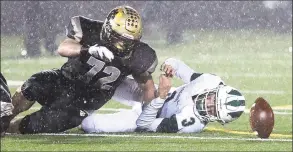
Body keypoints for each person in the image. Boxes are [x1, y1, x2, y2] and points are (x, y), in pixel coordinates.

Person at [7, 5, 158, 134]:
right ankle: (3, 118)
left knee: (41, 123)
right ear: (107, 29)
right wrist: (88, 49)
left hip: (85, 102)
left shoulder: (140, 54)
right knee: (33, 84)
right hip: (64, 80)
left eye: (128, 42)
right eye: (118, 39)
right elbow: (63, 48)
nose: (122, 46)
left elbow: (147, 86)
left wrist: (147, 117)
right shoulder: (90, 29)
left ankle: (10, 128)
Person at [81, 58, 246, 133]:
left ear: (218, 119)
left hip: (145, 114)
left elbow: (144, 124)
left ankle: (74, 110)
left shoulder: (190, 123)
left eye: (212, 110)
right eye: (212, 100)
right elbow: (179, 66)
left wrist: (161, 96)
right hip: (151, 93)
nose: (207, 106)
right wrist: (170, 65)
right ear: (215, 90)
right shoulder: (210, 80)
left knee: (89, 124)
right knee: (103, 79)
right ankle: (70, 89)